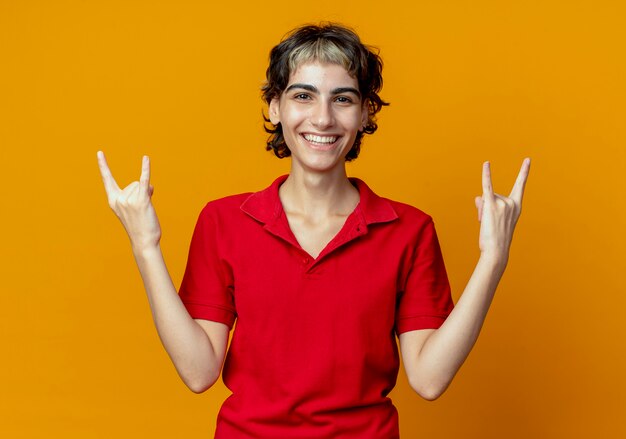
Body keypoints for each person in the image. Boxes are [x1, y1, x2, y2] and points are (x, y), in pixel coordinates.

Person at [97, 22, 530, 439]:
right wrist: (146, 246)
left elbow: (430, 380)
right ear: (275, 107)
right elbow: (198, 372)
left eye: (342, 99)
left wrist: (493, 259)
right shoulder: (223, 221)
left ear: (365, 113)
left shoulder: (409, 230)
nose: (322, 119)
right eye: (303, 96)